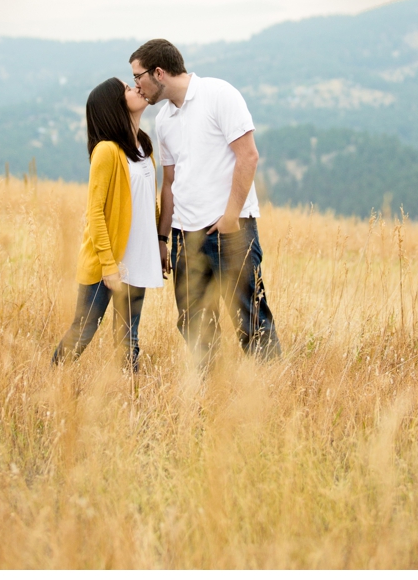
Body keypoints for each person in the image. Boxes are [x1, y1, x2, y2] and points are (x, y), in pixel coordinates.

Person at [130, 38, 280, 362]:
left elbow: (248, 156)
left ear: (158, 73)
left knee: (251, 321)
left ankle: (272, 397)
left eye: (137, 77)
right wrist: (162, 237)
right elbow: (169, 183)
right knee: (195, 326)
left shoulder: (219, 94)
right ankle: (209, 403)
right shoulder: (164, 120)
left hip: (229, 230)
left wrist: (230, 217)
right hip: (185, 239)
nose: (136, 86)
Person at [52, 77, 164, 370]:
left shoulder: (143, 147)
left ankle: (130, 404)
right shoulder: (106, 151)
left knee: (128, 339)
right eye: (128, 88)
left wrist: (158, 245)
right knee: (83, 331)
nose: (136, 88)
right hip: (108, 263)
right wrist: (108, 265)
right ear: (114, 105)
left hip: (137, 259)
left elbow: (148, 205)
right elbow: (96, 213)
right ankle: (48, 384)